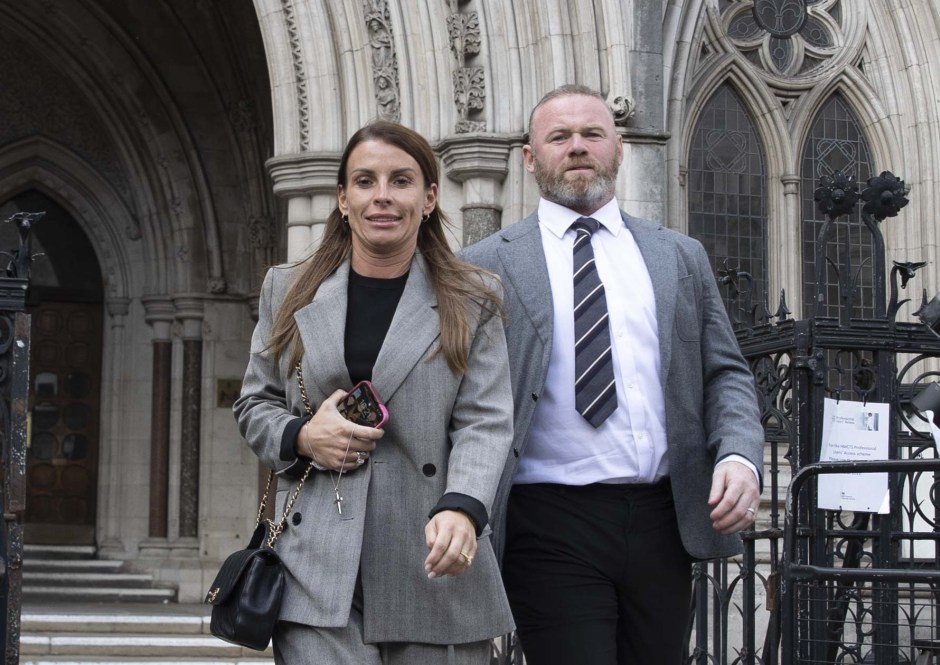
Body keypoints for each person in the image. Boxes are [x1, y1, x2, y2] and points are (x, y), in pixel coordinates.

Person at [461, 84, 765, 664]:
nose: (577, 148)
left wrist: (740, 455)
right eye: (560, 137)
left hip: (662, 516)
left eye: (592, 134)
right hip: (547, 520)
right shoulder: (485, 266)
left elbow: (724, 372)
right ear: (529, 158)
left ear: (619, 149)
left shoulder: (679, 255)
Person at [234, 120, 515, 665]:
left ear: (430, 197)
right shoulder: (288, 290)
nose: (381, 197)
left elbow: (485, 419)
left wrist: (464, 508)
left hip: (432, 552)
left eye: (401, 181)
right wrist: (302, 435)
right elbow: (254, 403)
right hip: (315, 563)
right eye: (364, 181)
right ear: (342, 198)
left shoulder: (474, 298)